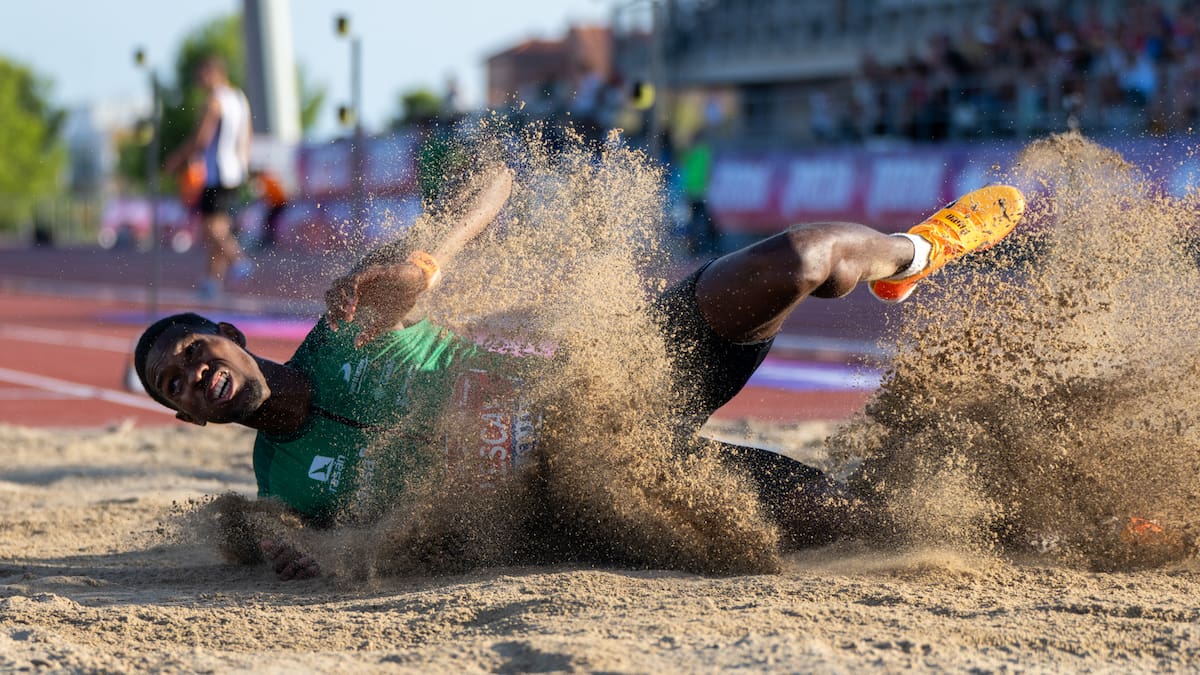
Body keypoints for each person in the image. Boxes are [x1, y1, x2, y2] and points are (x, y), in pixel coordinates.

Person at [133, 168, 1025, 580]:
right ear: (188, 420)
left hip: (607, 388)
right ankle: (1052, 521)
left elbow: (494, 181)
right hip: (595, 486)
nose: (190, 375)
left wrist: (430, 262)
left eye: (190, 352)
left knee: (796, 257)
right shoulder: (280, 485)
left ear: (227, 332)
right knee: (861, 520)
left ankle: (915, 250)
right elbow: (286, 537)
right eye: (172, 384)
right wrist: (308, 552)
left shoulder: (349, 318)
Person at [165, 55, 253, 298]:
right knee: (219, 225)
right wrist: (244, 164)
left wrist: (178, 159)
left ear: (214, 73)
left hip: (218, 171)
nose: (199, 81)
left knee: (210, 227)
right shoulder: (239, 99)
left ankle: (238, 259)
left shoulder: (215, 101)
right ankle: (212, 281)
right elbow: (247, 135)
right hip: (235, 170)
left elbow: (201, 139)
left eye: (202, 75)